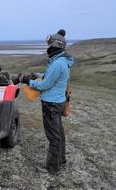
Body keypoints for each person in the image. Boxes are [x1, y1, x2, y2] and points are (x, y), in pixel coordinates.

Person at [18, 29, 74, 175]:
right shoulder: (62, 61)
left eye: (50, 45)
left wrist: (27, 80)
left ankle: (52, 168)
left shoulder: (57, 64)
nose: (48, 48)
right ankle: (61, 161)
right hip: (58, 102)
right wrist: (37, 75)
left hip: (51, 104)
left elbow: (44, 85)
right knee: (59, 134)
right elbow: (50, 77)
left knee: (53, 137)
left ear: (56, 45)